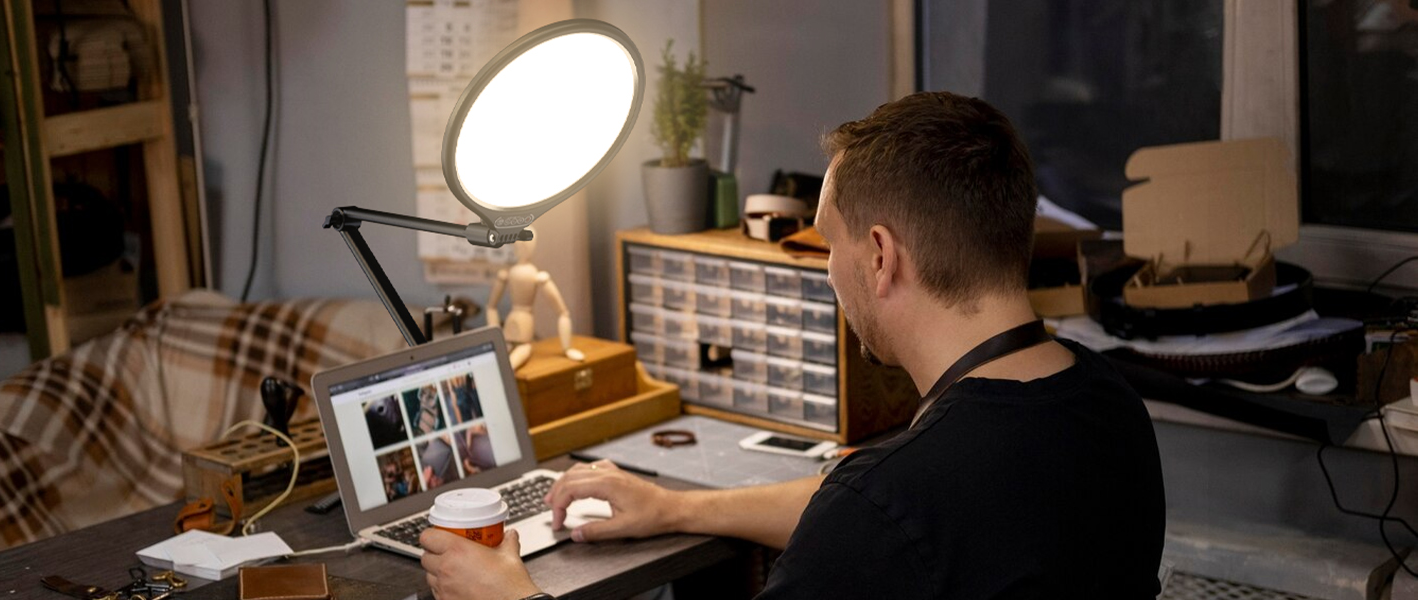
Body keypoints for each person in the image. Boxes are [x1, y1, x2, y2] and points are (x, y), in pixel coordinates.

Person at [417, 91, 1166, 600]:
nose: (828, 269)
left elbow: (882, 513)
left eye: (828, 242)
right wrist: (675, 507)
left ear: (880, 256)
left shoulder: (887, 504)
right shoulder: (1109, 408)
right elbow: (907, 516)